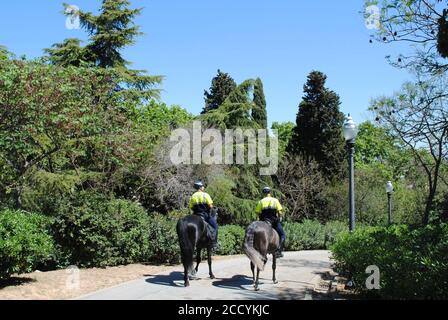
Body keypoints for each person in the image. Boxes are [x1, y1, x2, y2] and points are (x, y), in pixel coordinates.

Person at [255, 186, 286, 258]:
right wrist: (280, 217)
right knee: (282, 235)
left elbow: (257, 213)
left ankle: (256, 249)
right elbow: (280, 211)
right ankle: (279, 251)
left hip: (263, 222)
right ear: (270, 192)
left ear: (263, 193)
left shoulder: (261, 201)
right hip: (274, 222)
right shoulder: (275, 200)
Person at [189, 180, 219, 251]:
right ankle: (214, 243)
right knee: (215, 226)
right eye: (202, 186)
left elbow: (191, 206)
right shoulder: (205, 195)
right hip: (205, 215)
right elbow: (211, 206)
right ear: (200, 187)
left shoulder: (193, 196)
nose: (203, 187)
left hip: (196, 215)